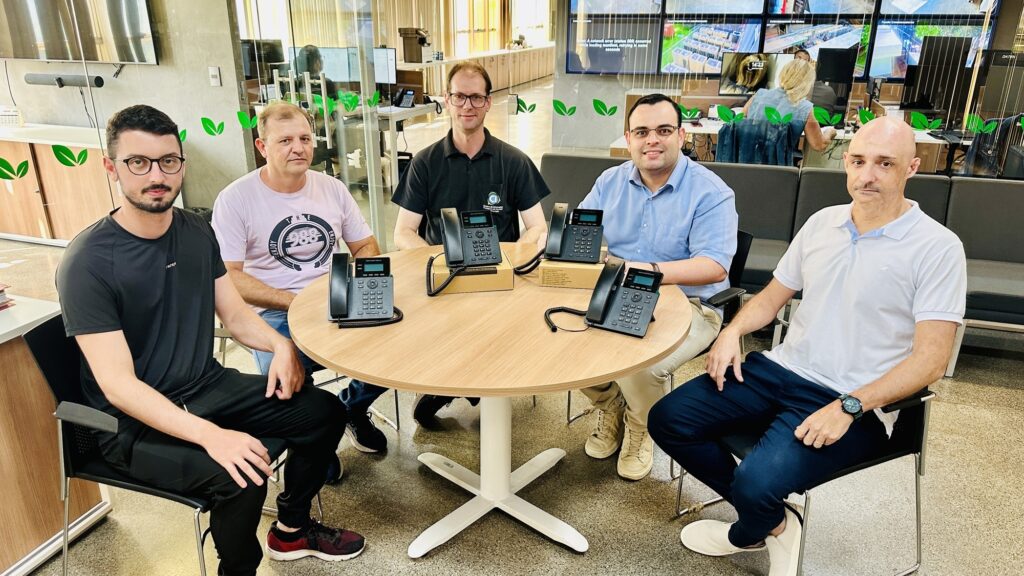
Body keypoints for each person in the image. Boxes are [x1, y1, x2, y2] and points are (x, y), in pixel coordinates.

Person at [56, 105, 366, 576]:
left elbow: (238, 316)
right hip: (129, 422)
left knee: (324, 412)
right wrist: (213, 437)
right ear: (111, 167)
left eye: (168, 161)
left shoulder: (196, 231)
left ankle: (292, 529)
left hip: (203, 386)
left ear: (182, 163)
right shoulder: (88, 262)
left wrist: (281, 347)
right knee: (240, 473)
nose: (156, 175)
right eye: (138, 162)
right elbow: (118, 386)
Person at [648, 116, 966, 576]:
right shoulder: (823, 223)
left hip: (855, 398)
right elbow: (771, 298)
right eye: (857, 161)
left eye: (884, 164)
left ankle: (750, 527)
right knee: (668, 419)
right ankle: (774, 522)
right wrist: (731, 332)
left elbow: (932, 360)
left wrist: (850, 406)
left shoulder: (937, 248)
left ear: (911, 168)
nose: (866, 175)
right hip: (781, 370)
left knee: (758, 483)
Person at [212, 101, 391, 460]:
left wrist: (362, 281)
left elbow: (366, 245)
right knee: (285, 381)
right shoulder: (235, 199)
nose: (298, 147)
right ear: (262, 147)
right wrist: (296, 302)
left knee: (394, 349)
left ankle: (350, 409)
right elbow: (228, 277)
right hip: (272, 313)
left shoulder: (332, 188)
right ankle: (313, 444)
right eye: (285, 140)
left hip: (336, 298)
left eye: (305, 138)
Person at [577, 93, 738, 481]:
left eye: (664, 130)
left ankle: (641, 427)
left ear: (681, 135)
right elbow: (581, 235)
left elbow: (714, 266)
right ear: (628, 137)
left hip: (691, 305)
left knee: (640, 362)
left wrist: (646, 269)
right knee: (562, 341)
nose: (653, 140)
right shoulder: (609, 182)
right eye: (642, 131)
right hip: (619, 295)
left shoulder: (710, 191)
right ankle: (612, 405)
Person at [391, 60, 551, 425]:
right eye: (459, 96)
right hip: (443, 281)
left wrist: (510, 260)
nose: (468, 105)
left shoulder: (513, 161)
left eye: (476, 97)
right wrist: (442, 262)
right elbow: (404, 232)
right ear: (447, 100)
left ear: (488, 102)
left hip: (500, 280)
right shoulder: (424, 163)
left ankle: (458, 384)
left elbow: (537, 229)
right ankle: (453, 382)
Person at [742, 58, 836, 152]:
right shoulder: (804, 107)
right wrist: (830, 132)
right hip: (776, 163)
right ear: (808, 82)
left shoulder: (759, 94)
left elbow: (739, 121)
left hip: (746, 157)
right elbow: (819, 145)